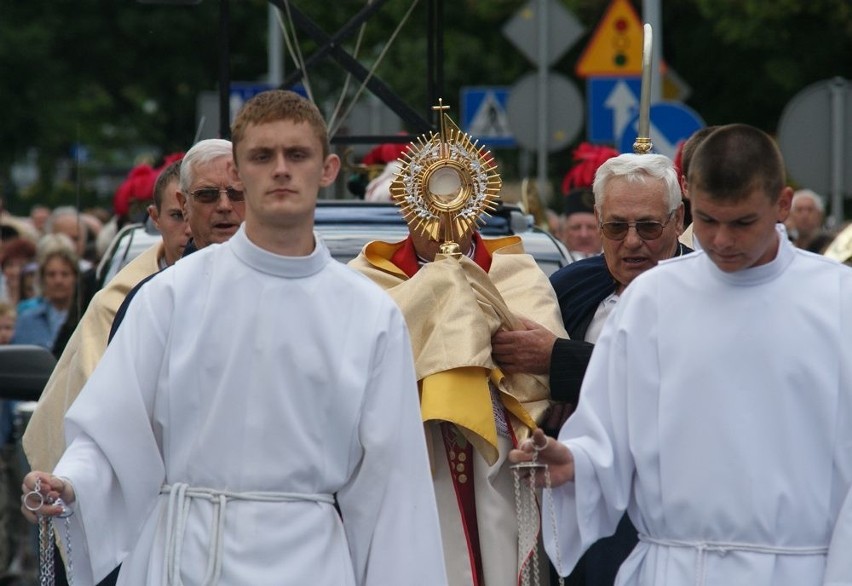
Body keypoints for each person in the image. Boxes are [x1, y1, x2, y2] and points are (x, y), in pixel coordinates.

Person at [21, 89, 447, 586]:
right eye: (263, 156)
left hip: (308, 561)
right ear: (239, 174)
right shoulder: (172, 296)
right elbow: (112, 433)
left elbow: (395, 489)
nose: (281, 169)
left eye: (298, 154)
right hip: (184, 556)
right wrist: (70, 484)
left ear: (328, 169)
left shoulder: (370, 314)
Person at [511, 123, 852, 586]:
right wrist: (575, 462)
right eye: (708, 221)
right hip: (671, 567)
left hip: (798, 567)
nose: (722, 241)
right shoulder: (653, 298)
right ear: (690, 210)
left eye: (742, 223)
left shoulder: (837, 301)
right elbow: (610, 431)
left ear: (782, 205)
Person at [349, 179, 568, 585]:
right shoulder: (363, 283)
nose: (443, 221)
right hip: (410, 463)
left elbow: (543, 376)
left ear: (476, 202)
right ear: (406, 205)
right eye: (428, 206)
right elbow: (353, 369)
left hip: (500, 465)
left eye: (455, 205)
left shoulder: (518, 273)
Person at [493, 153, 689, 586]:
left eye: (649, 226)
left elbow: (676, 381)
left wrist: (559, 360)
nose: (632, 242)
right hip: (579, 504)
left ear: (678, 221)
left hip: (674, 512)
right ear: (598, 222)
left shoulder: (707, 289)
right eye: (616, 227)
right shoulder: (569, 287)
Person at [12, 235, 79, 353]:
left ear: (75, 278)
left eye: (65, 274)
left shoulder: (84, 318)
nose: (58, 281)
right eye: (51, 274)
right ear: (42, 279)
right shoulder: (26, 320)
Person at [786, 188, 833, 253]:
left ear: (819, 215)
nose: (805, 216)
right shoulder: (785, 245)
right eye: (799, 210)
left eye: (810, 210)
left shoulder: (830, 246)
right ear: (790, 215)